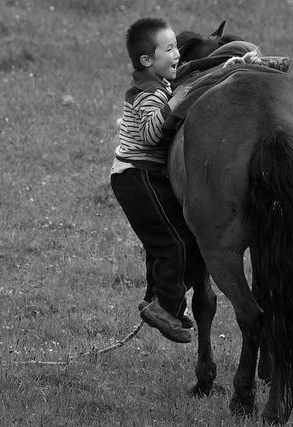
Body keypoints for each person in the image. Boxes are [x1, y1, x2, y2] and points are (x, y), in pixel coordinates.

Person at [110, 17, 204, 344]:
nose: (177, 53)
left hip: (144, 174)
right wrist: (177, 102)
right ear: (147, 61)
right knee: (173, 243)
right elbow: (151, 135)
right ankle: (165, 307)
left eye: (176, 45)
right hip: (136, 176)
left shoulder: (157, 83)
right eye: (169, 48)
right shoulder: (148, 91)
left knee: (172, 239)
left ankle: (155, 298)